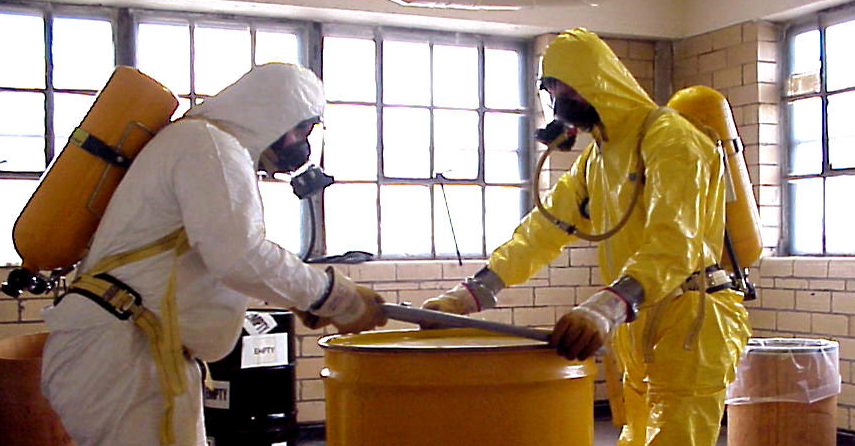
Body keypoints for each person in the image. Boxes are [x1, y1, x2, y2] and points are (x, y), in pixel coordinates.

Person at [423, 29, 750, 446]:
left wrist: (605, 307)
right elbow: (543, 230)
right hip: (637, 318)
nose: (560, 100)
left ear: (599, 81)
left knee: (675, 438)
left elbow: (675, 242)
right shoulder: (597, 158)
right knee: (636, 436)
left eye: (567, 87)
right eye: (551, 90)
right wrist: (473, 292)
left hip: (692, 316)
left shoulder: (670, 137)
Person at [41, 63, 387, 446]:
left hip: (130, 347)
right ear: (276, 113)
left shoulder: (201, 143)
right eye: (302, 130)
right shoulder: (211, 147)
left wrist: (303, 298)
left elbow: (213, 257)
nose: (301, 145)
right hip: (124, 352)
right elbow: (239, 256)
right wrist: (333, 297)